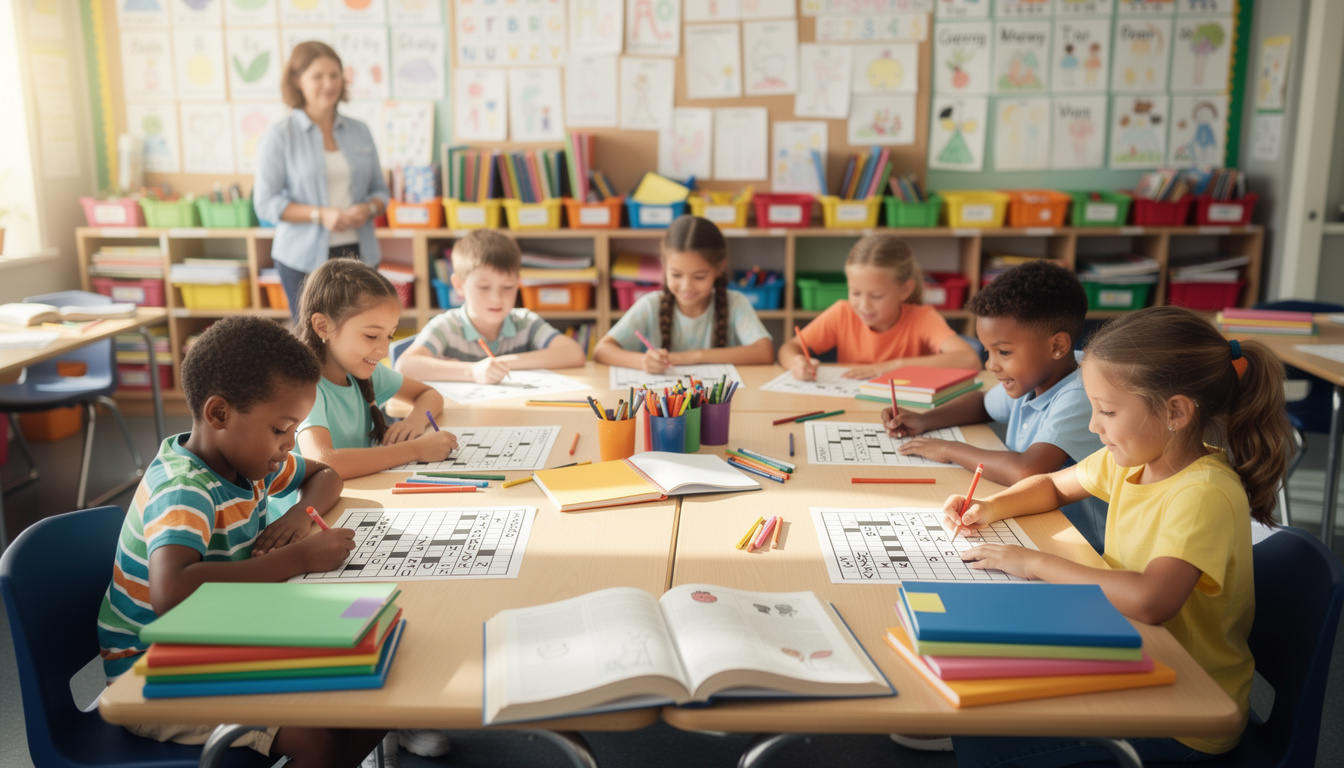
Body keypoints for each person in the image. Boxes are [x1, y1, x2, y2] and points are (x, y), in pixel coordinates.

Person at [947, 306, 1292, 767]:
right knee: (982, 699)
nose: (1094, 426)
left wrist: (1034, 563)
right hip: (1128, 655)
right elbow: (1052, 484)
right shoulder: (1132, 459)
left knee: (983, 741)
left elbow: (1152, 600)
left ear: (1176, 412)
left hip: (1186, 710)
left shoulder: (1202, 493)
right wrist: (989, 507)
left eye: (1107, 411)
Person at [96, 315, 387, 768]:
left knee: (373, 684)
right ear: (219, 414)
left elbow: (326, 474)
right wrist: (299, 556)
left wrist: (296, 516)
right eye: (280, 430)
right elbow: (172, 594)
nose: (288, 445)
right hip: (155, 670)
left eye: (294, 430)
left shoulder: (248, 462)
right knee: (318, 738)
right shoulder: (184, 489)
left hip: (219, 634)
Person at [881, 260, 1108, 552]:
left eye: (1003, 352)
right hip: (1028, 522)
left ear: (1057, 346)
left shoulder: (1080, 393)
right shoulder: (1034, 376)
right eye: (988, 351)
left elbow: (1029, 471)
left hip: (1078, 542)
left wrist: (949, 449)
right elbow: (983, 405)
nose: (990, 364)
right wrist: (925, 420)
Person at [254, 41, 390, 321]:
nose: (328, 84)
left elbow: (380, 191)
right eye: (318, 76)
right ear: (297, 81)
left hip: (359, 253)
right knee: (313, 342)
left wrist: (369, 209)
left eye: (334, 75)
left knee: (360, 333)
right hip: (302, 259)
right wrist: (320, 214)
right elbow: (266, 204)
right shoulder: (280, 135)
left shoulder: (360, 131)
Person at [293, 258, 458, 482]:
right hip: (311, 512)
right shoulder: (305, 387)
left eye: (389, 335)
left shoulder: (363, 371)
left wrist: (414, 422)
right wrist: (415, 449)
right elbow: (325, 462)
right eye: (371, 336)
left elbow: (430, 395)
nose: (383, 349)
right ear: (323, 326)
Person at [777, 233, 981, 380]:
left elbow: (970, 360)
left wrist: (892, 366)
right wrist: (796, 362)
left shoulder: (923, 318)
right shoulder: (843, 312)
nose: (863, 305)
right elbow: (788, 348)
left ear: (905, 289)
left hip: (906, 412)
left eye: (876, 296)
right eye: (855, 293)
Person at [394, 229, 586, 384]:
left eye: (508, 287)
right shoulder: (446, 327)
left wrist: (501, 364)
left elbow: (574, 353)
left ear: (518, 284)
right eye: (484, 287)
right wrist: (473, 371)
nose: (497, 298)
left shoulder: (525, 322)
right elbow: (405, 366)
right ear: (459, 285)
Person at [593, 215, 775, 373]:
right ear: (664, 266)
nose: (686, 286)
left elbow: (765, 352)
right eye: (676, 275)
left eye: (699, 276)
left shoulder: (735, 303)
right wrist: (642, 362)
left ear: (719, 268)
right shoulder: (652, 304)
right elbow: (601, 351)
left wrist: (693, 357)